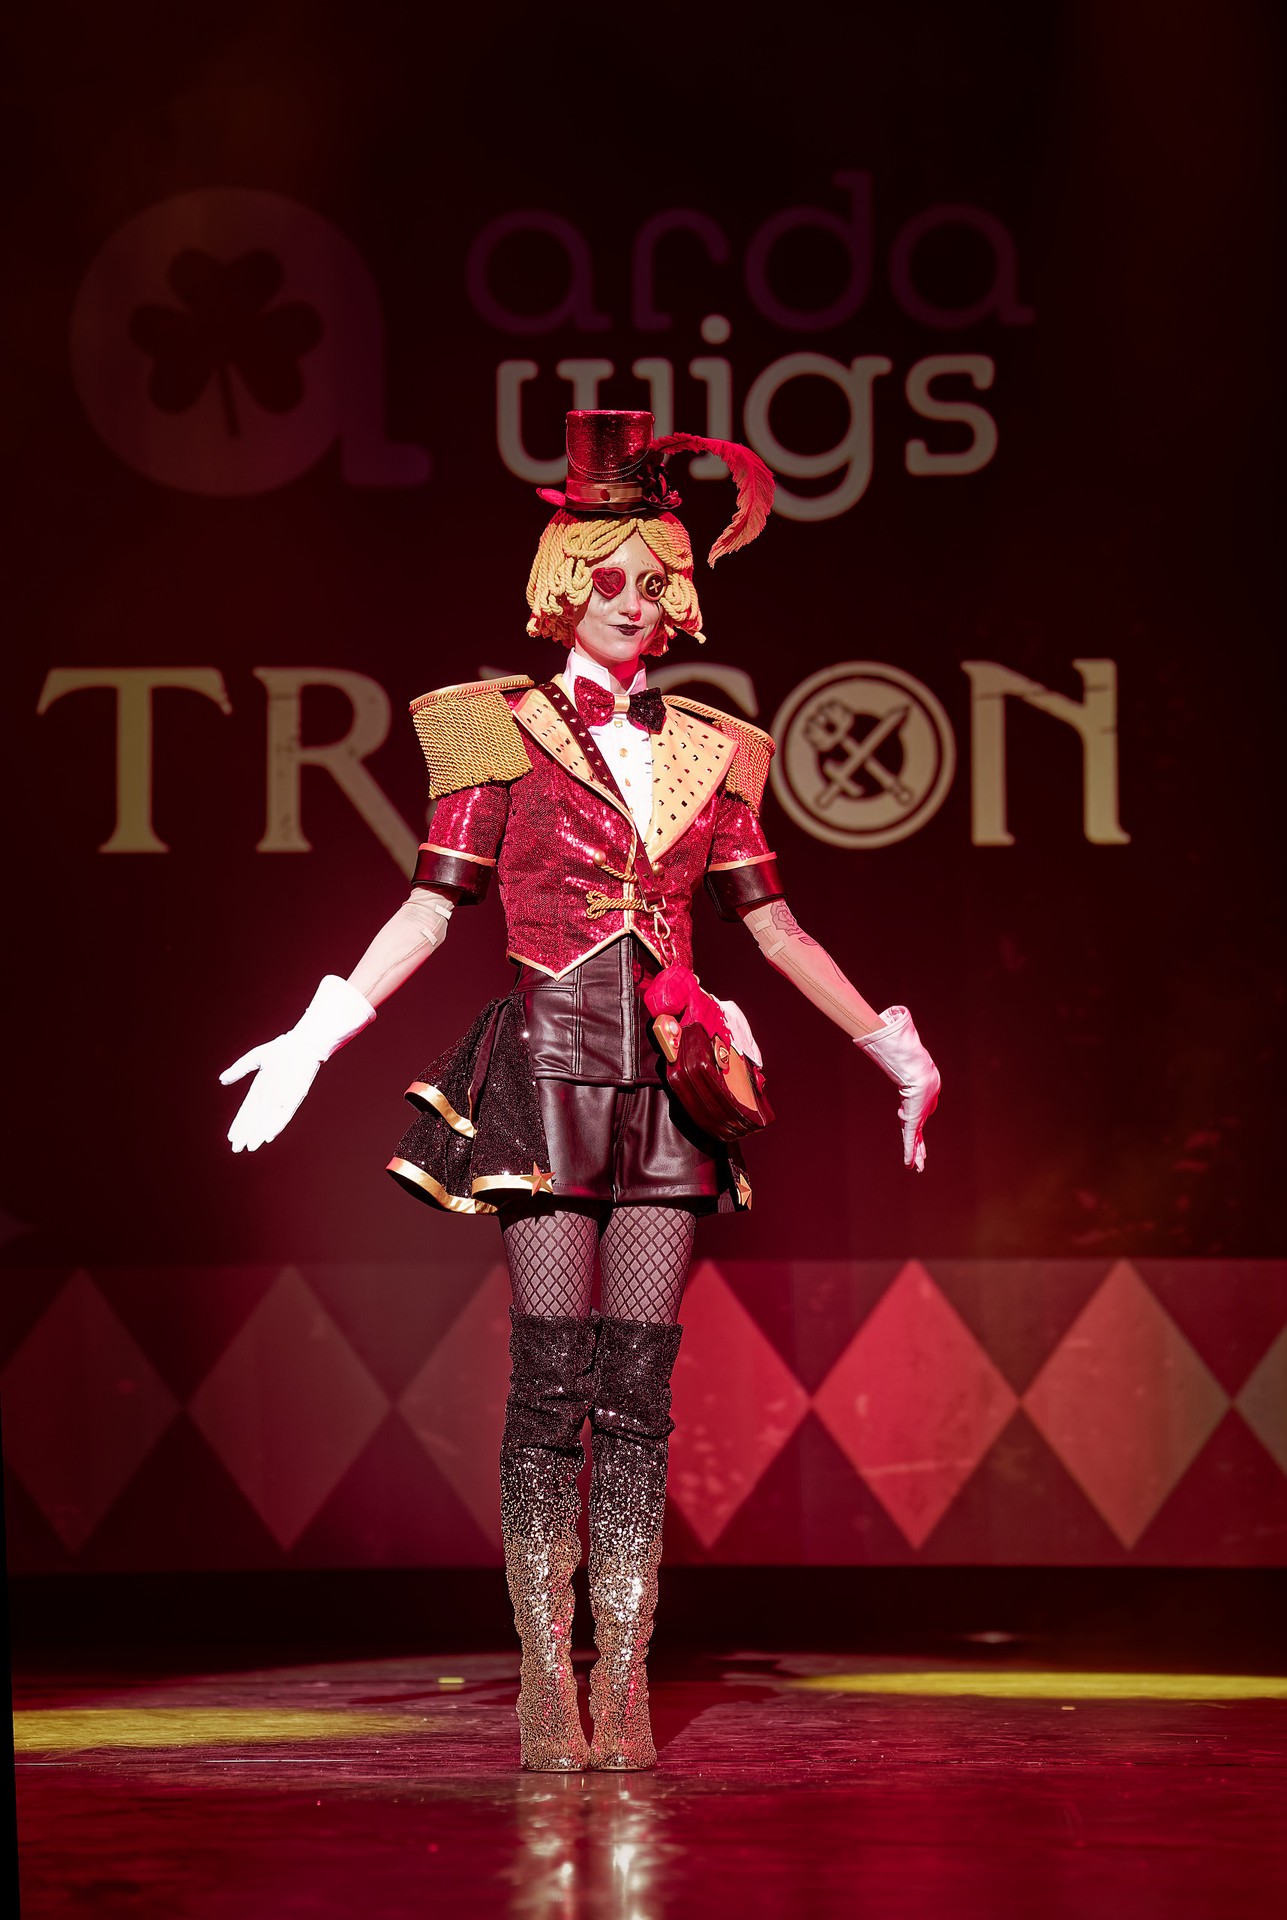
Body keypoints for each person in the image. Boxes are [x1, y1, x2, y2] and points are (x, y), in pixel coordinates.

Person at [220, 411, 940, 1772]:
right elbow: (429, 911)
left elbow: (777, 930)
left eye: (656, 581)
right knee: (553, 1379)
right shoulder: (492, 729)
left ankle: (629, 1666)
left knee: (642, 1385)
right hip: (548, 1069)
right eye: (608, 575)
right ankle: (547, 1672)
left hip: (670, 1080)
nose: (632, 600)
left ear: (680, 601)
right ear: (563, 583)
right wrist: (318, 1034)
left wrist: (891, 1043)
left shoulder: (716, 751)